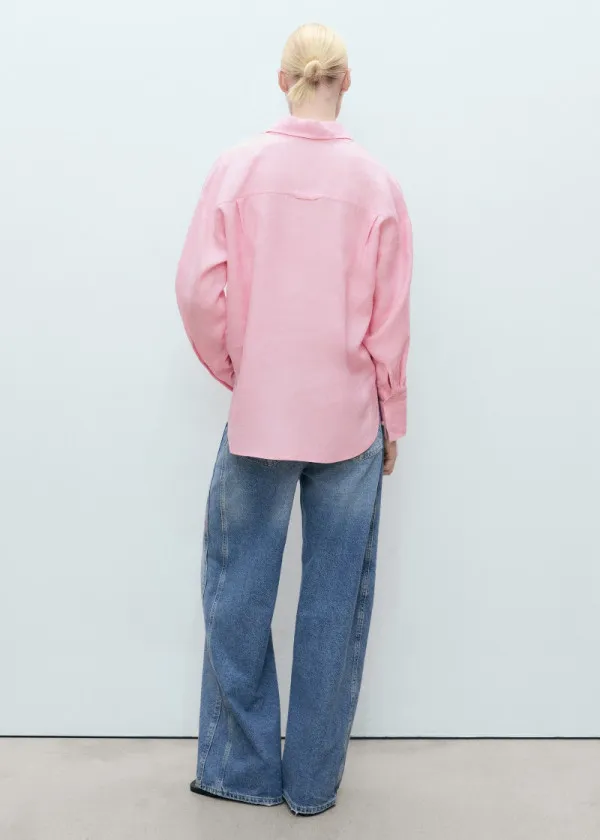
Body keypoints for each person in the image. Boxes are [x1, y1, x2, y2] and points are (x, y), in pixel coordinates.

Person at [175, 22, 412, 817]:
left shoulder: (237, 168)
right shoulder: (377, 184)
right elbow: (389, 320)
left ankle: (241, 770)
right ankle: (310, 784)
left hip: (261, 417)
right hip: (349, 421)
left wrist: (239, 369)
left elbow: (197, 288)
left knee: (238, 591)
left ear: (284, 80)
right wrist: (392, 414)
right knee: (333, 603)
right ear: (347, 81)